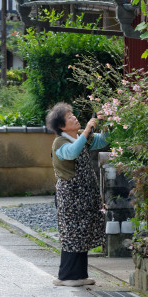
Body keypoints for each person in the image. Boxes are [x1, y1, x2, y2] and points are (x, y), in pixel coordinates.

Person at [46, 102, 108, 287]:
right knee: (72, 233)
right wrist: (87, 130)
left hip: (85, 195)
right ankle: (65, 277)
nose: (75, 118)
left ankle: (80, 275)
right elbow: (72, 154)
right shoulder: (60, 142)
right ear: (62, 126)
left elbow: (104, 140)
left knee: (83, 233)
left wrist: (105, 123)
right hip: (71, 196)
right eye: (70, 117)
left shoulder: (81, 137)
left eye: (73, 115)